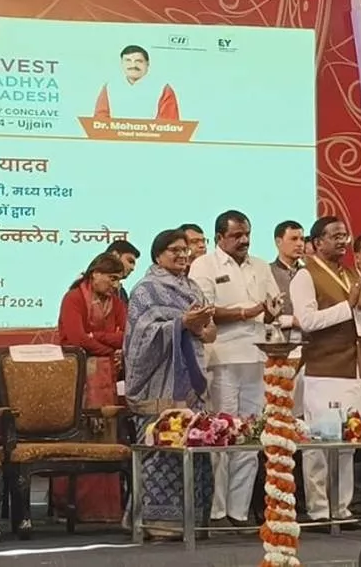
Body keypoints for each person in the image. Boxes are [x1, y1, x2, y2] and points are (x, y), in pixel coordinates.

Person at [187, 210, 281, 527]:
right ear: (219, 237)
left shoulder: (261, 265)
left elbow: (271, 307)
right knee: (222, 432)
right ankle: (216, 510)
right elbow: (204, 310)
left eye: (247, 234)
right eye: (236, 235)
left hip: (257, 356)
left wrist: (271, 311)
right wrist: (246, 312)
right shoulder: (204, 265)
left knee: (250, 434)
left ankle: (238, 511)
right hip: (223, 358)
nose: (244, 240)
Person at [124, 229, 216, 539]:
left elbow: (210, 332)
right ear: (158, 255)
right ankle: (158, 524)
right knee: (162, 448)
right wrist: (180, 324)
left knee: (194, 447)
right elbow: (140, 338)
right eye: (174, 250)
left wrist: (199, 328)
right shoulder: (145, 290)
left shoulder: (192, 287)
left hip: (191, 382)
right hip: (158, 384)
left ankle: (194, 521)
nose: (182, 255)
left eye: (185, 249)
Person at [290, 216, 361, 521]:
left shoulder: (349, 272)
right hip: (322, 368)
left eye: (345, 236)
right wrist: (349, 305)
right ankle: (318, 511)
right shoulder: (305, 276)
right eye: (336, 236)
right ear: (318, 243)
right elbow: (307, 321)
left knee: (347, 442)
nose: (343, 241)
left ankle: (341, 508)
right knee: (320, 443)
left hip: (351, 366)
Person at [52, 253, 128, 523]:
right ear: (95, 274)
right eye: (111, 278)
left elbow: (126, 335)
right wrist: (108, 349)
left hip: (107, 379)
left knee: (106, 434)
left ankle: (104, 509)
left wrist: (99, 338)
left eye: (118, 280)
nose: (115, 285)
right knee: (82, 434)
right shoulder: (73, 299)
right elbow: (76, 338)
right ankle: (72, 505)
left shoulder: (116, 302)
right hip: (78, 377)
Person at [93, 45, 179, 121]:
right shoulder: (110, 87)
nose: (133, 65)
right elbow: (100, 119)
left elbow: (169, 125)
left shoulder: (163, 88)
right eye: (128, 60)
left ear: (147, 63)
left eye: (139, 61)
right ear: (122, 63)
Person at [106, 239, 141, 304]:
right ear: (115, 255)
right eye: (130, 261)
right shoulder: (93, 285)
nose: (132, 268)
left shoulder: (122, 293)